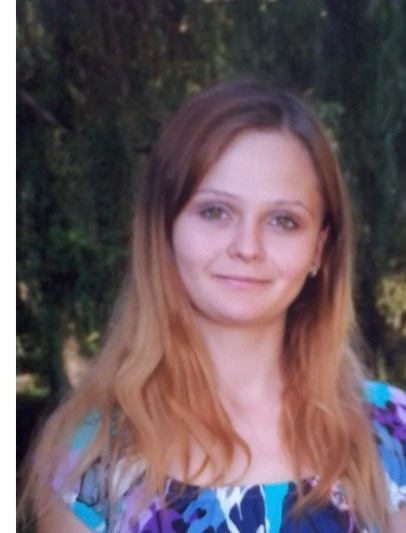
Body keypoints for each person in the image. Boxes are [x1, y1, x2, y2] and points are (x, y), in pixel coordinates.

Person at [20, 79, 406, 533]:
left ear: (319, 249)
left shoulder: (389, 433)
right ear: (164, 228)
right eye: (215, 212)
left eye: (283, 221)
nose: (247, 247)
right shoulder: (89, 456)